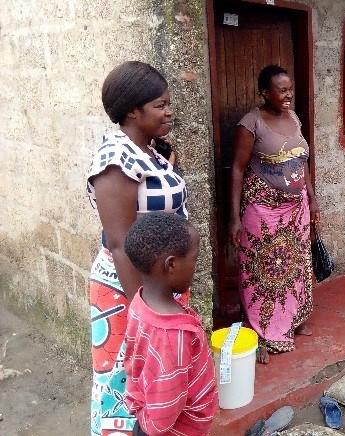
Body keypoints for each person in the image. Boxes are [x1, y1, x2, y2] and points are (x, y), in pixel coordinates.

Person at [86, 61, 188, 435]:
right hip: (129, 292)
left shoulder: (147, 151)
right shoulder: (116, 159)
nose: (169, 111)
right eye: (160, 105)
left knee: (161, 381)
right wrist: (143, 314)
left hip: (158, 289)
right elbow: (120, 243)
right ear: (132, 111)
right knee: (128, 383)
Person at [229, 65, 319, 364]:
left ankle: (292, 319)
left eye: (290, 88)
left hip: (296, 208)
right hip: (262, 208)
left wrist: (313, 198)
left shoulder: (294, 117)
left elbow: (303, 162)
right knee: (262, 269)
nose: (288, 94)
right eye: (281, 90)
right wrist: (234, 217)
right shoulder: (250, 124)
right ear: (265, 93)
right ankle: (263, 330)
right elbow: (238, 169)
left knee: (294, 265)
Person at [123, 212, 217, 435]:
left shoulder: (140, 301)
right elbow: (162, 418)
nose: (195, 267)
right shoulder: (173, 335)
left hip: (148, 419)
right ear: (171, 265)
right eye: (194, 259)